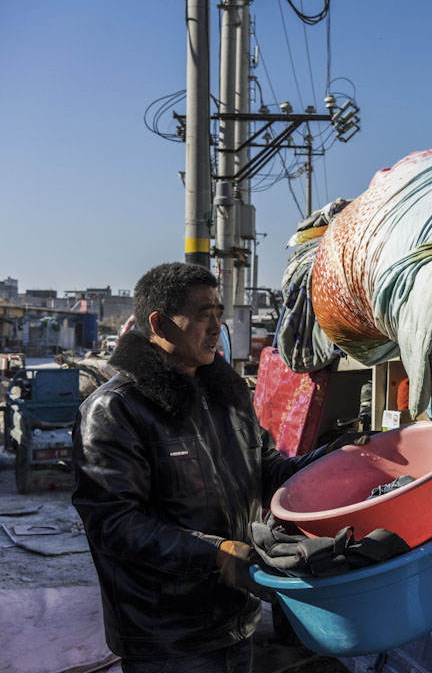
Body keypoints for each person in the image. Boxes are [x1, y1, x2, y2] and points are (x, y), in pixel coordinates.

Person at [72, 263, 362, 672]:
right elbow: (115, 524)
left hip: (235, 618)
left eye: (219, 313)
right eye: (202, 314)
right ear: (160, 323)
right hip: (167, 635)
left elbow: (270, 472)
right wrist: (217, 554)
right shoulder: (115, 409)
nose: (215, 326)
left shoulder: (225, 396)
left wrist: (334, 459)